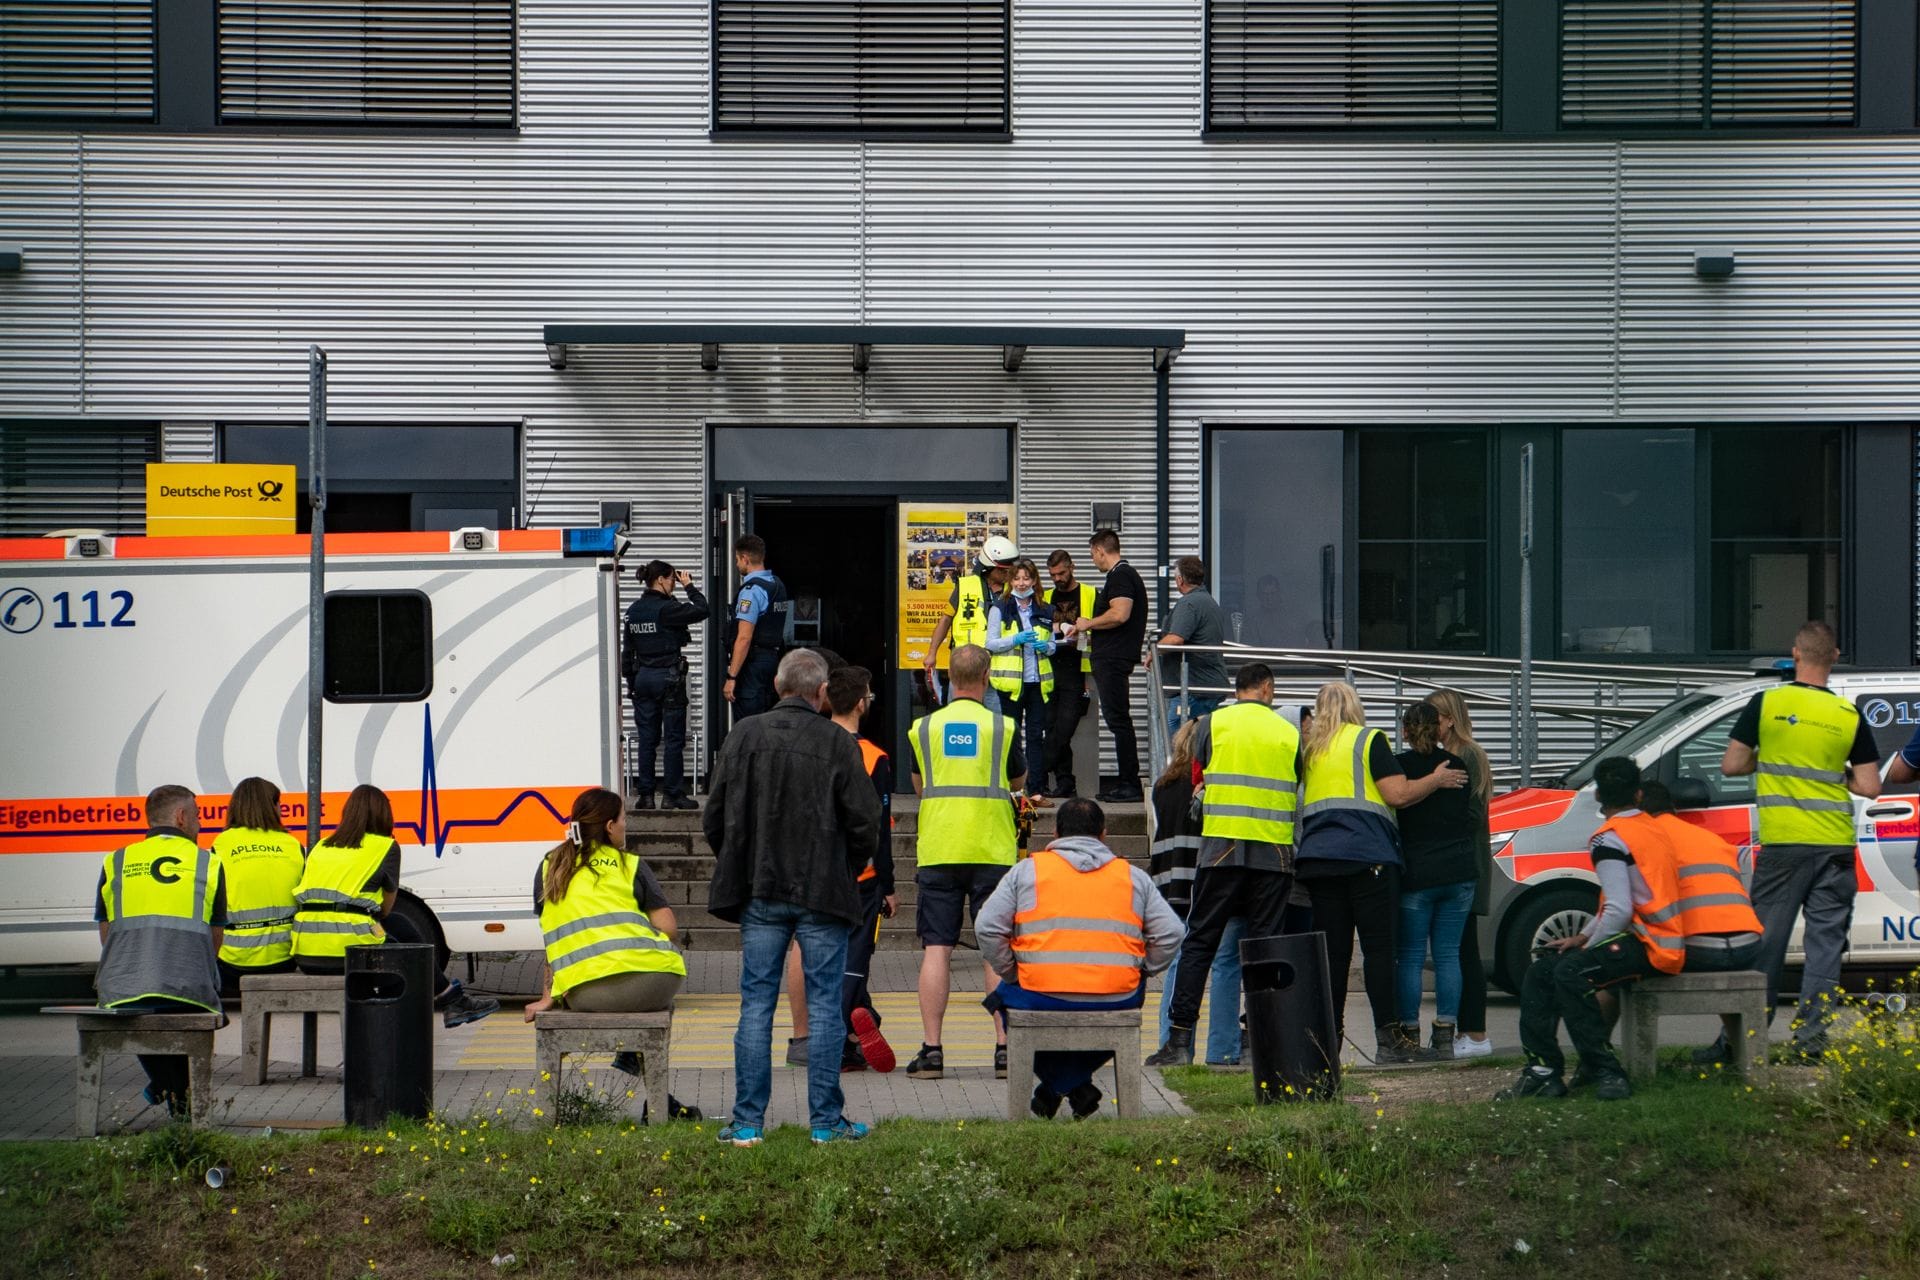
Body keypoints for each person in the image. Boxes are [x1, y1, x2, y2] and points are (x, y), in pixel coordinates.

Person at [704, 648, 882, 1146]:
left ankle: (746, 1123)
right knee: (826, 1005)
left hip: (759, 890)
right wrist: (844, 869)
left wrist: (739, 862)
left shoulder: (743, 736)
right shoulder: (838, 741)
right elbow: (865, 823)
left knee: (755, 1004)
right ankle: (826, 1124)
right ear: (822, 693)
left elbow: (713, 817)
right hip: (823, 892)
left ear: (779, 686)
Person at [1704, 620, 1879, 1062]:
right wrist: (1834, 774)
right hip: (1836, 848)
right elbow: (1871, 786)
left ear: (1795, 654)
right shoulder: (1847, 714)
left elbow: (1731, 765)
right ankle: (1812, 1043)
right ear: (1834, 658)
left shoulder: (1767, 702)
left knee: (1765, 947)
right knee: (1824, 949)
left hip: (1783, 848)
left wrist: (1768, 762)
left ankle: (1743, 1042)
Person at [978, 799, 1185, 1118]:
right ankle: (1073, 1086)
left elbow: (988, 927)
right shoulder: (1131, 876)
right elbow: (1172, 932)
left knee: (1000, 999)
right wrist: (1144, 969)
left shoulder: (1028, 871)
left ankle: (1061, 1085)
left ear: (1056, 833)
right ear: (1104, 835)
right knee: (1124, 999)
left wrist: (1011, 972)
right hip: (1117, 997)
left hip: (1040, 995)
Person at [1500, 759, 1689, 1102]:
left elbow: (1619, 910)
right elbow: (1616, 905)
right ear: (1639, 793)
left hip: (1647, 944)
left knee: (1568, 971)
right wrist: (1582, 938)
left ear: (1598, 794)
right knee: (1543, 971)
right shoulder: (1651, 827)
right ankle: (1544, 1074)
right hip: (1661, 940)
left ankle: (1603, 1070)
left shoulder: (1609, 839)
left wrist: (1583, 951)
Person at [1296, 681, 1464, 1062]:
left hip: (1320, 862)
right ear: (1355, 706)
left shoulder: (1308, 749)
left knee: (1332, 957)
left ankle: (1326, 1045)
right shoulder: (1368, 740)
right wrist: (1437, 779)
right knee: (1379, 952)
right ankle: (1390, 1042)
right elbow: (1398, 794)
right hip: (1367, 858)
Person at [1146, 663, 1298, 1067]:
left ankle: (1178, 1042)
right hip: (1274, 854)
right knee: (1265, 950)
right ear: (1267, 687)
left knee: (1199, 942)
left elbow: (1199, 780)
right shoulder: (1290, 732)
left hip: (1221, 851)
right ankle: (1268, 1042)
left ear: (1238, 688)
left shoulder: (1212, 724)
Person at [523, 786, 699, 1120]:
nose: (625, 827)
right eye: (623, 819)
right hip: (653, 981)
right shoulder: (629, 865)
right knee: (655, 985)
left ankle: (634, 1063)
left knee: (624, 989)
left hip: (585, 992)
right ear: (608, 826)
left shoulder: (550, 866)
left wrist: (547, 996)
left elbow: (553, 938)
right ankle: (658, 1101)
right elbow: (669, 928)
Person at [906, 643, 1024, 1081]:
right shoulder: (1003, 726)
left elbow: (919, 786)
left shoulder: (923, 728)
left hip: (939, 847)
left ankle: (932, 1051)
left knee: (936, 949)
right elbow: (1018, 780)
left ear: (948, 678)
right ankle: (1005, 1049)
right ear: (987, 675)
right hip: (992, 849)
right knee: (996, 951)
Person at [290, 784, 498, 1027]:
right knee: (404, 954)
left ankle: (450, 999)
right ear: (384, 815)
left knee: (398, 925)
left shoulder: (320, 847)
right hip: (349, 954)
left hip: (306, 953)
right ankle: (450, 1001)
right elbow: (386, 910)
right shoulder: (386, 847)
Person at [93, 784, 225, 1117]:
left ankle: (168, 1090)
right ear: (181, 817)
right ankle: (176, 1098)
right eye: (197, 815)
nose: (200, 823)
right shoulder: (206, 864)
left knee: (139, 1004)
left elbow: (106, 931)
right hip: (189, 988)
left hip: (123, 988)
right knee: (183, 1009)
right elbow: (215, 937)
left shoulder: (116, 861)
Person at [1149, 720, 1247, 1066]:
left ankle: (1171, 1043)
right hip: (1212, 884)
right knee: (1225, 964)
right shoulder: (1211, 785)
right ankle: (1223, 1049)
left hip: (1171, 886)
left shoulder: (1162, 786)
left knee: (1179, 964)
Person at [1391, 703, 1480, 1061]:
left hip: (1419, 873)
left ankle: (1409, 1033)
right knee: (1447, 955)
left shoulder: (1400, 767)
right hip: (1459, 872)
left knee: (1411, 957)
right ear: (1439, 728)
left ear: (1407, 731)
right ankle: (1445, 1035)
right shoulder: (1456, 765)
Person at [829, 665, 898, 1073]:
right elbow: (880, 830)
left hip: (814, 875)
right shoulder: (873, 757)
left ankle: (862, 1026)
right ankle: (841, 1039)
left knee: (827, 959)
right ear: (860, 703)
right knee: (855, 959)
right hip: (861, 879)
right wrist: (888, 884)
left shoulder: (810, 745)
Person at [1426, 689, 1496, 1058]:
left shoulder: (1464, 755)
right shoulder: (1462, 754)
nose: (1430, 726)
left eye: (1435, 718)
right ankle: (1470, 1032)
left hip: (1463, 864)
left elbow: (1468, 814)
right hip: (1461, 862)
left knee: (1464, 951)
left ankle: (1476, 1033)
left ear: (1450, 719)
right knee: (1459, 949)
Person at [1064, 529, 1148, 802]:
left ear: (1101, 550)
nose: (1093, 560)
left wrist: (1089, 623)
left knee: (1118, 720)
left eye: (1092, 554)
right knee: (1118, 720)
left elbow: (1121, 613)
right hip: (1112, 657)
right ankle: (1127, 782)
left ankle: (1129, 784)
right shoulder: (1121, 575)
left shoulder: (1121, 575)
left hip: (1113, 659)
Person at [624, 559, 709, 810]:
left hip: (642, 679)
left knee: (647, 739)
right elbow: (703, 609)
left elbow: (627, 652)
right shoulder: (667, 610)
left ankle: (646, 796)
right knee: (673, 739)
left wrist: (631, 683)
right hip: (668, 678)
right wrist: (690, 586)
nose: (674, 583)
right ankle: (672, 795)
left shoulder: (633, 611)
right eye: (672, 578)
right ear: (660, 579)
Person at [213, 776, 304, 998]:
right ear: (270, 807)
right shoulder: (293, 846)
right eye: (278, 804)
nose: (281, 809)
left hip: (232, 965)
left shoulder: (221, 845)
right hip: (286, 960)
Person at [985, 557, 1057, 798]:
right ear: (1010, 580)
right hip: (1010, 685)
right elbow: (991, 643)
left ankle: (1036, 790)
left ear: (1035, 580)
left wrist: (1044, 646)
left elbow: (1053, 647)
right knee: (1011, 735)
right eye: (1017, 578)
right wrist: (1015, 640)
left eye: (1027, 578)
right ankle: (1011, 789)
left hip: (1037, 682)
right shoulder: (1000, 607)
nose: (1022, 582)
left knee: (1036, 737)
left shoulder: (1045, 609)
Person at [922, 534, 1018, 709]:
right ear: (988, 567)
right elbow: (945, 620)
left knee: (994, 723)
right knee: (959, 716)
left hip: (997, 670)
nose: (1007, 574)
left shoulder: (1015, 590)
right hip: (964, 667)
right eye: (1002, 570)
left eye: (1009, 570)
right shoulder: (965, 586)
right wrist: (932, 653)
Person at [1042, 549, 1097, 797]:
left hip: (1078, 668)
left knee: (1065, 726)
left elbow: (1101, 630)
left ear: (1072, 567)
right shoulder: (1045, 597)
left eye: (1061, 573)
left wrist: (1081, 641)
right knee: (1051, 725)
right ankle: (1065, 782)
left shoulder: (1089, 594)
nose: (1057, 579)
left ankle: (1038, 767)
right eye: (1052, 574)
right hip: (1050, 668)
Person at [1154, 556, 1230, 731]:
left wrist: (1153, 651)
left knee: (1177, 733)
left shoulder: (1189, 603)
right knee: (1198, 736)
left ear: (1180, 580)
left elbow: (1176, 638)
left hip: (1195, 688)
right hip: (1207, 685)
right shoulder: (1209, 601)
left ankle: (1181, 760)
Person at [723, 534, 791, 721]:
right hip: (772, 662)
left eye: (737, 560)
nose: (737, 565)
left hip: (753, 665)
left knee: (749, 726)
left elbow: (744, 638)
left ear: (745, 559)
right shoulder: (777, 585)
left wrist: (732, 677)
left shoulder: (752, 591)